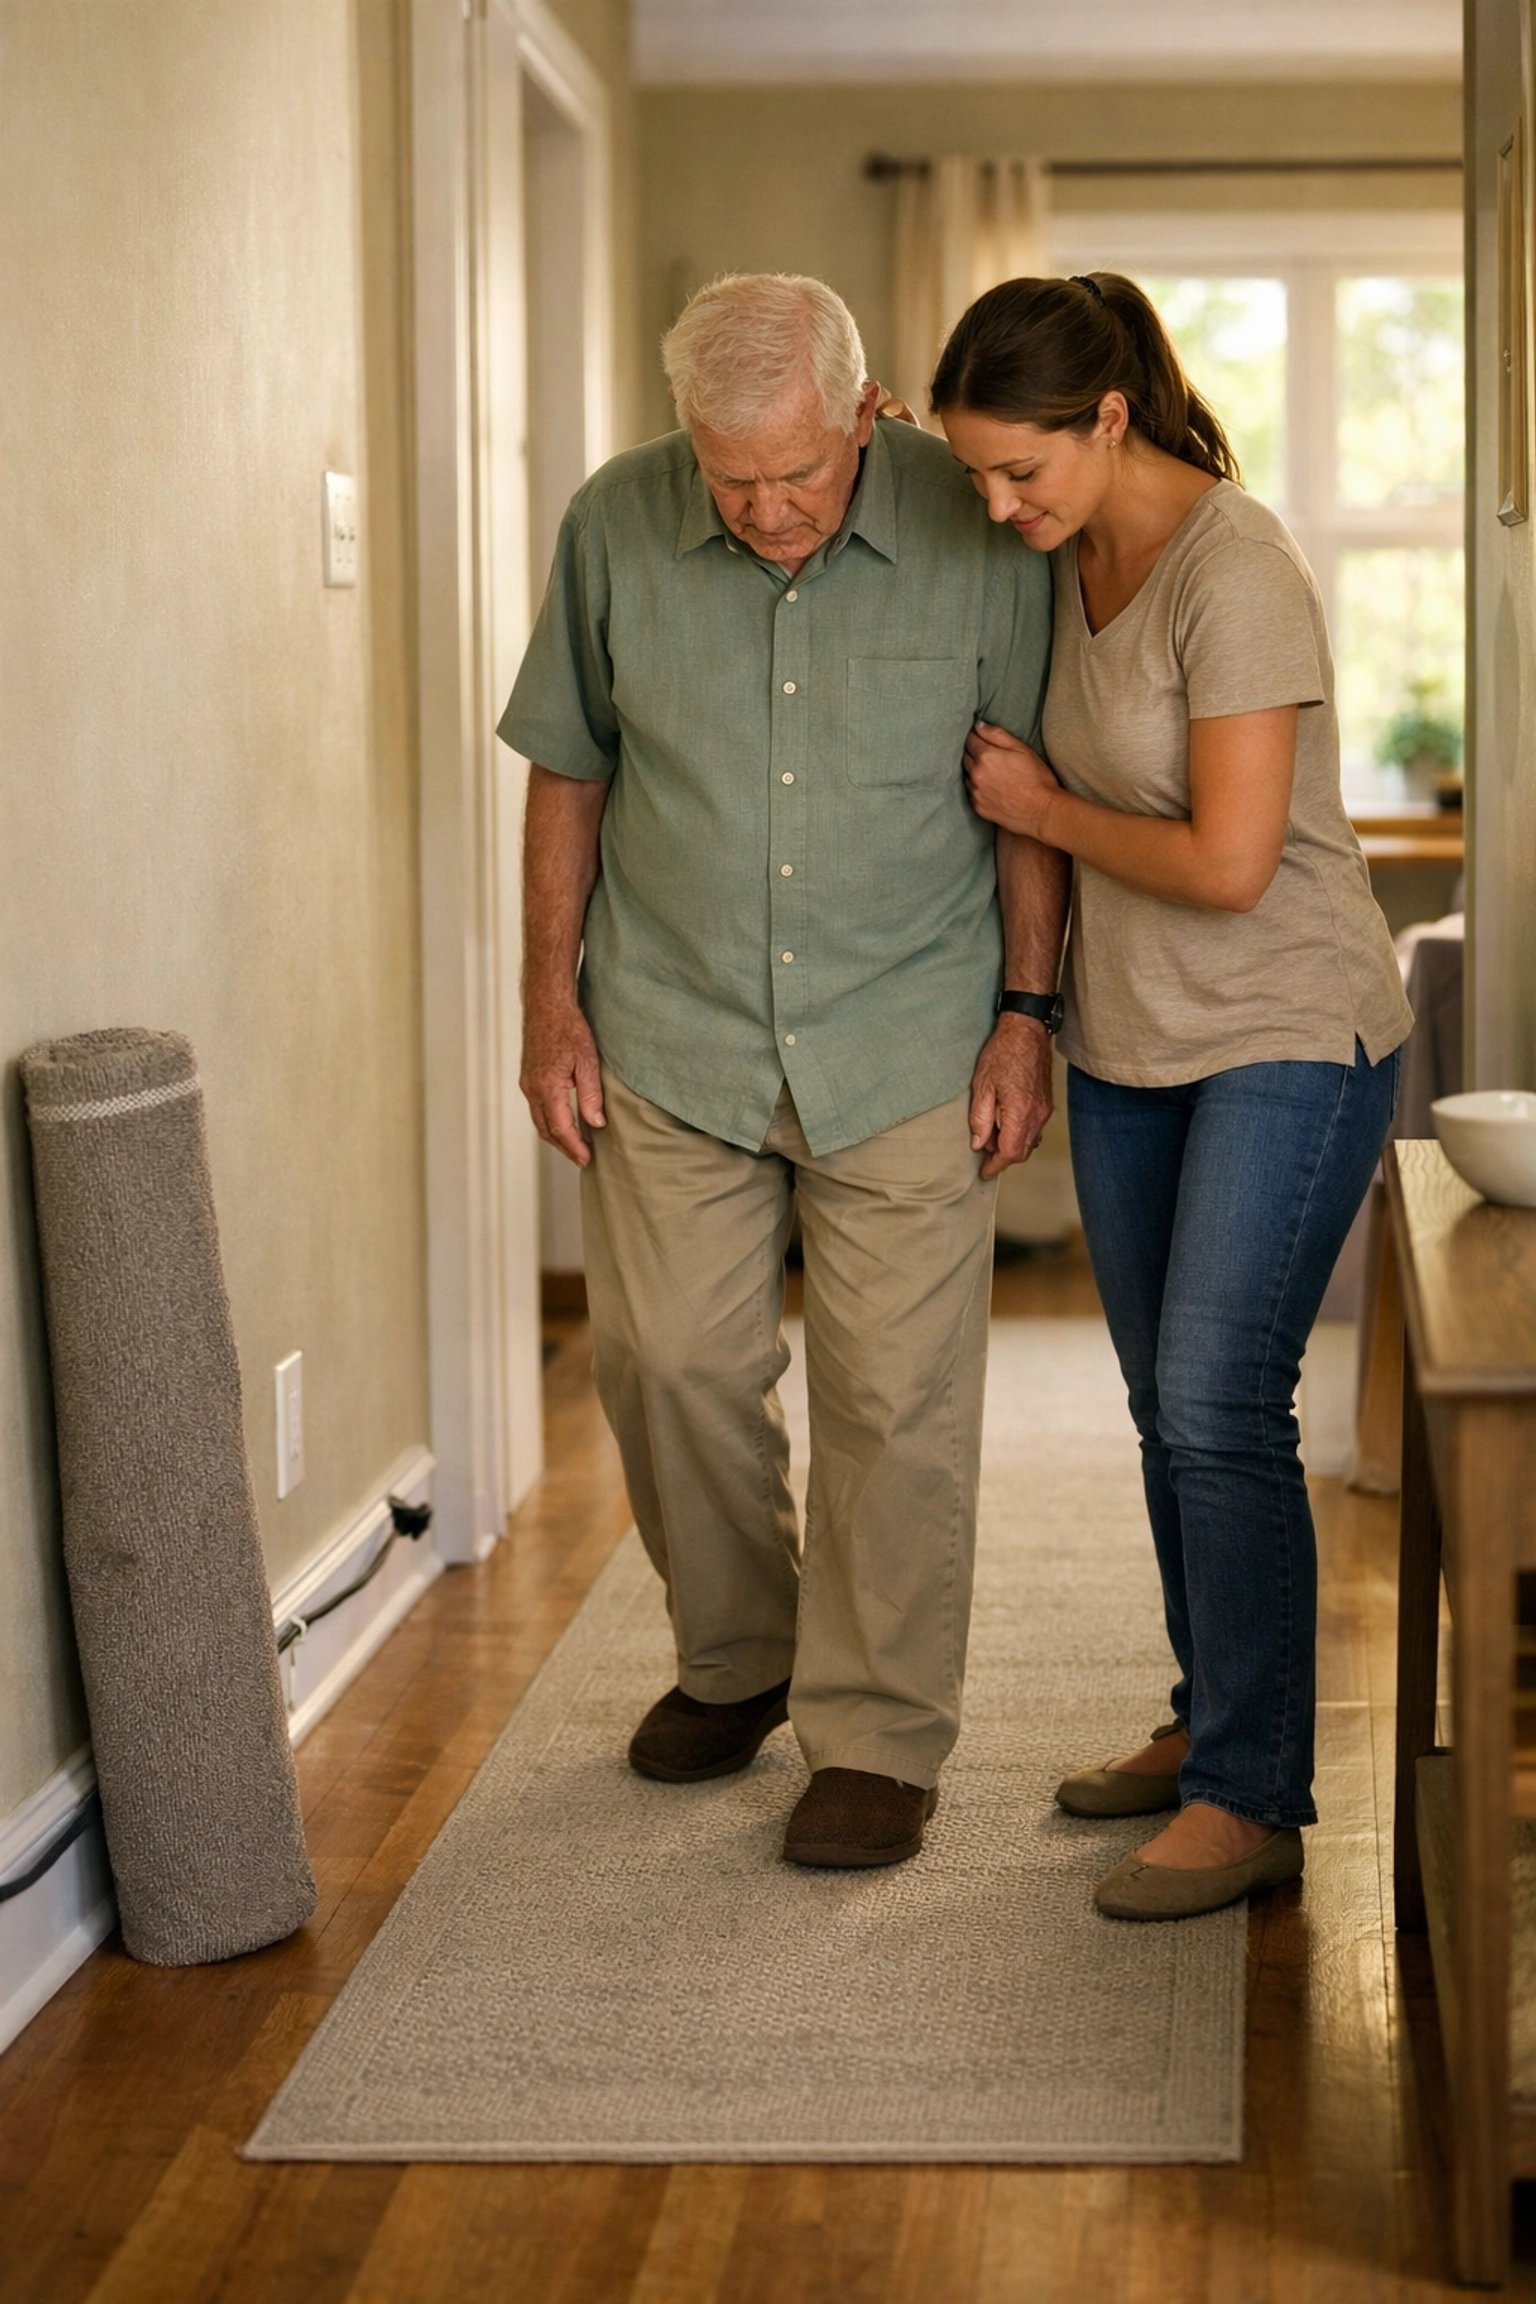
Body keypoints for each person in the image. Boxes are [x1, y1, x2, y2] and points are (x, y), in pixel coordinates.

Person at [500, 273, 1067, 1869]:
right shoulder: (613, 523)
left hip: (910, 1033)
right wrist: (551, 1006)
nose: (762, 511)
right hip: (673, 1029)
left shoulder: (973, 531)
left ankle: (878, 1735)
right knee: (665, 1365)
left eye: (797, 479)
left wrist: (1030, 1011)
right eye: (728, 478)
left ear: (865, 413)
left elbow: (1025, 786)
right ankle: (740, 1661)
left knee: (894, 1395)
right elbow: (569, 768)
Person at [932, 272, 1412, 1921]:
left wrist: (1044, 810)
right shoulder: (1061, 555)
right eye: (974, 474)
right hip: (1134, 1043)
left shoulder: (1240, 567)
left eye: (1019, 472)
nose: (996, 506)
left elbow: (1228, 861)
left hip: (1288, 1022)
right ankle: (1215, 1716)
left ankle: (1250, 1797)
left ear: (1110, 417)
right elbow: (947, 478)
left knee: (1220, 1398)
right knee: (1167, 1410)